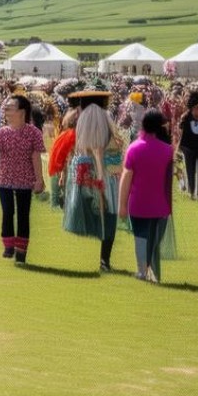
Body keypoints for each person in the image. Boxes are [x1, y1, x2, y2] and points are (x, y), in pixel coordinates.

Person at [62, 91, 124, 271]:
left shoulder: (83, 118)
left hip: (86, 169)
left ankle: (103, 256)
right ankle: (105, 259)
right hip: (105, 170)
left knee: (94, 208)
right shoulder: (104, 117)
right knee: (108, 212)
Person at [0, 95, 46, 264]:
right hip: (4, 179)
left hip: (25, 181)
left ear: (22, 112)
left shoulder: (33, 132)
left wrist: (39, 180)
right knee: (7, 212)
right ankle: (8, 245)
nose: (6, 111)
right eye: (6, 108)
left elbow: (36, 157)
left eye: (11, 108)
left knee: (23, 215)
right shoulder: (2, 132)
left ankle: (21, 251)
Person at [119, 111, 175, 283]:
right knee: (155, 241)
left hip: (138, 203)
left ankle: (142, 271)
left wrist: (122, 205)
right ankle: (155, 274)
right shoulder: (167, 150)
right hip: (161, 204)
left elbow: (126, 178)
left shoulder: (134, 148)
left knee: (140, 237)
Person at [47, 108, 78, 210]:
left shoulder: (65, 134)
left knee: (56, 196)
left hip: (55, 166)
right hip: (61, 167)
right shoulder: (73, 135)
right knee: (65, 195)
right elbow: (69, 157)